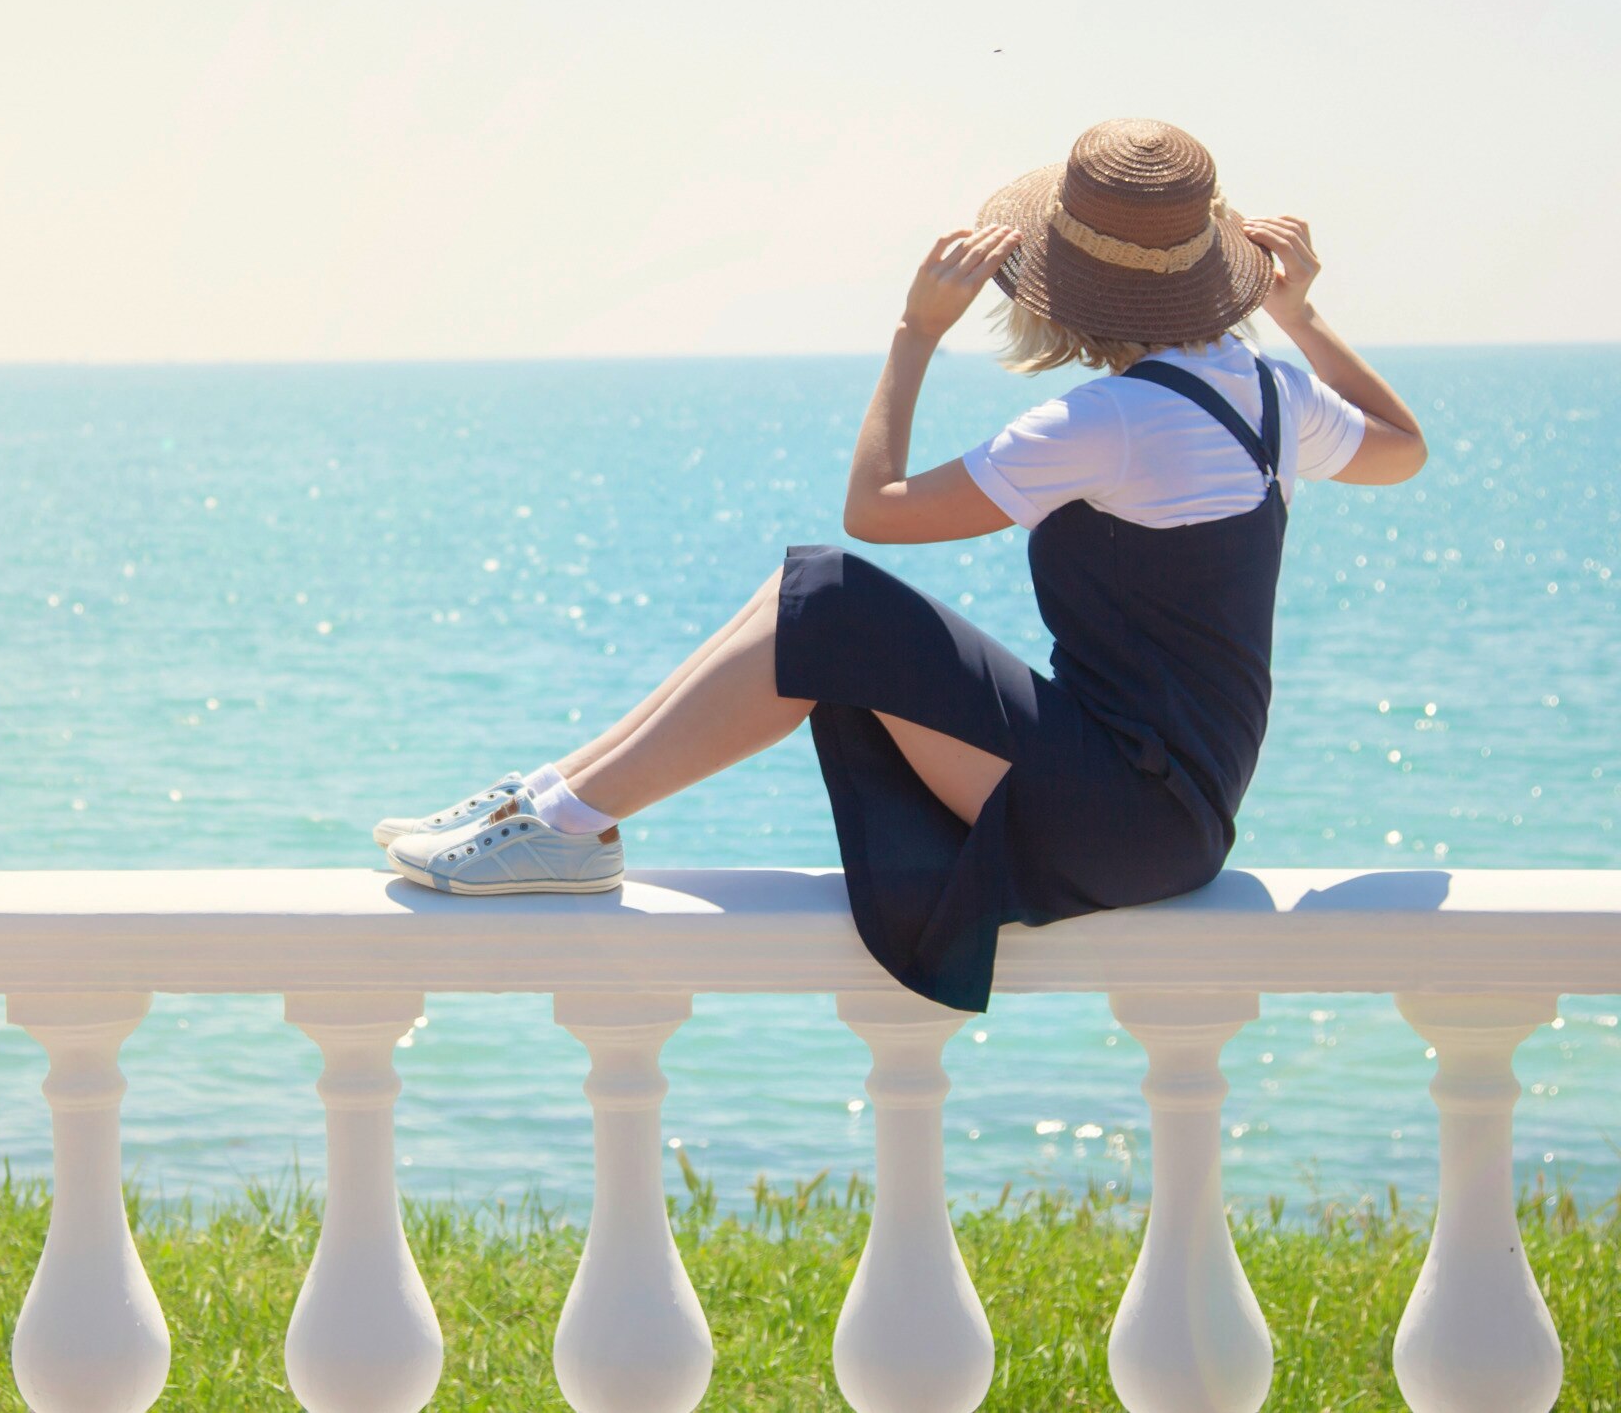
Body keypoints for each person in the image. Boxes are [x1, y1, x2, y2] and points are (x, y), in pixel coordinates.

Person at [376, 119, 1428, 1011]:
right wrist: (1300, 317)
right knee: (803, 599)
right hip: (1173, 810)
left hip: (1123, 812)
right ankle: (552, 803)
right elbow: (1401, 444)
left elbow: (875, 510)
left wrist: (914, 333)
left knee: (828, 594)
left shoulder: (1110, 418)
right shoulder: (1272, 394)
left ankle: (560, 821)